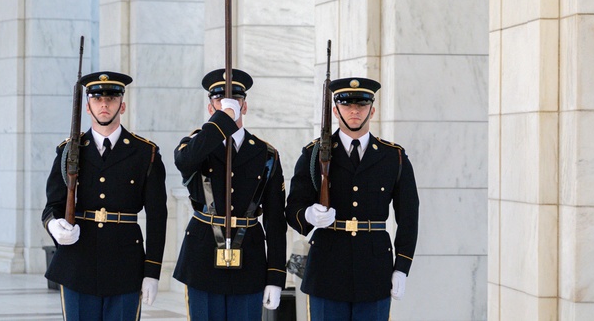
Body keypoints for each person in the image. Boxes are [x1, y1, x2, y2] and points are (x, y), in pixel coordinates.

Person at [285, 76, 419, 320]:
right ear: (335, 110)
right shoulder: (314, 154)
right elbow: (293, 206)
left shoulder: (393, 157)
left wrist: (402, 266)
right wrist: (308, 215)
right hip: (326, 271)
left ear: (373, 110)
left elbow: (409, 217)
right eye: (347, 105)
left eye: (362, 105)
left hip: (374, 271)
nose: (355, 110)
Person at [42, 71, 168, 320]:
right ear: (87, 106)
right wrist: (54, 226)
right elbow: (52, 206)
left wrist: (152, 272)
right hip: (77, 264)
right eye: (97, 98)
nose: (104, 104)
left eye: (111, 98)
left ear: (122, 105)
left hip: (125, 266)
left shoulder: (146, 153)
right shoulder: (69, 150)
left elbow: (157, 216)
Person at [173, 68, 287, 319]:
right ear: (210, 107)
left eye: (235, 100)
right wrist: (223, 120)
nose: (229, 105)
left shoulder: (266, 154)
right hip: (202, 259)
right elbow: (185, 161)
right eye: (220, 101)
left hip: (250, 259)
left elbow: (276, 220)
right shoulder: (195, 145)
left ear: (244, 106)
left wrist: (276, 276)